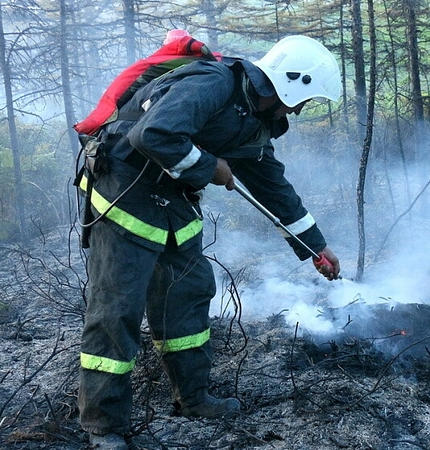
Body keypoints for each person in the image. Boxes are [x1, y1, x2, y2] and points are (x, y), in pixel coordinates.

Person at [77, 35, 342, 450]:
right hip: (125, 195)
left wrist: (314, 246)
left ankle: (194, 398)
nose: (304, 108)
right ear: (294, 82)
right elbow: (153, 135)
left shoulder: (253, 117)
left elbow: (272, 185)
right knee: (118, 309)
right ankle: (103, 426)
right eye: (307, 98)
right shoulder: (213, 83)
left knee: (189, 293)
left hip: (173, 202)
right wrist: (210, 166)